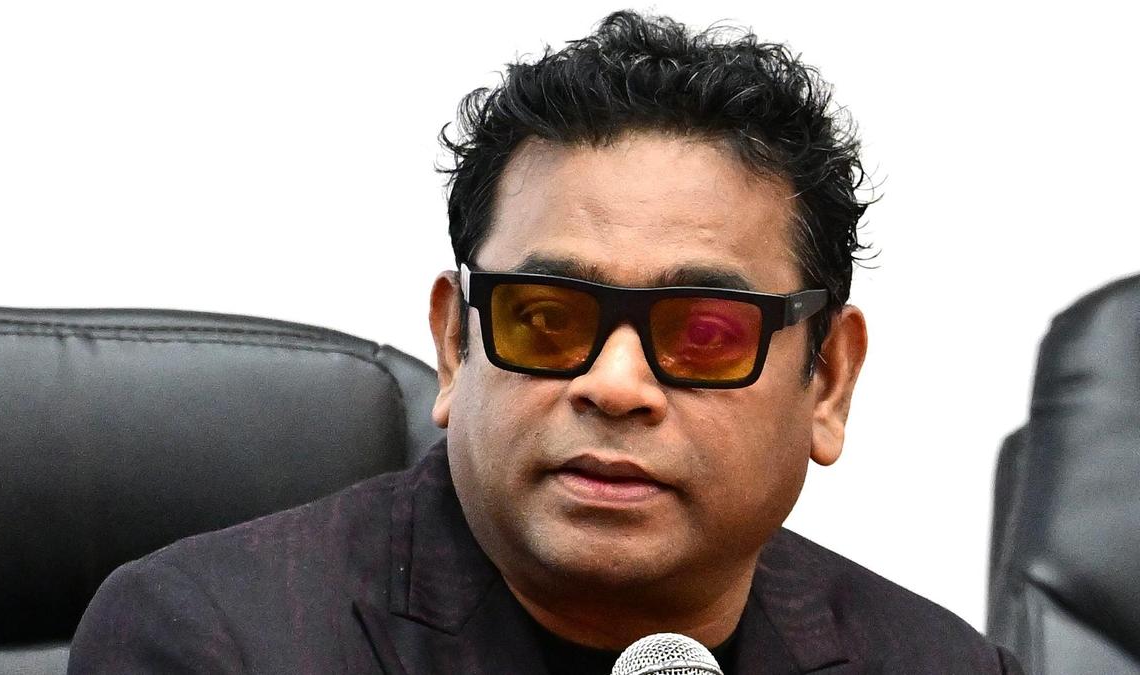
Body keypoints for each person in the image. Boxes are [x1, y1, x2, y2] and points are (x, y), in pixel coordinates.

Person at [69, 11, 1022, 673]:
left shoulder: (942, 666)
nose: (616, 384)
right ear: (456, 344)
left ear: (829, 380)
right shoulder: (214, 642)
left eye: (703, 333)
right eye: (548, 318)